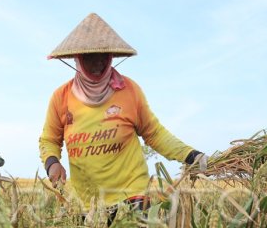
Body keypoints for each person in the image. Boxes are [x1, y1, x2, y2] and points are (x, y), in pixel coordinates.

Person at [39, 13, 208, 211]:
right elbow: (49, 139)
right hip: (87, 202)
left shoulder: (129, 90)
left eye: (104, 56)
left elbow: (154, 133)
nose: (98, 63)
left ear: (111, 57)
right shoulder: (62, 97)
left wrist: (190, 155)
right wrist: (52, 163)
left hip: (132, 196)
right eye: (90, 57)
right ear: (78, 59)